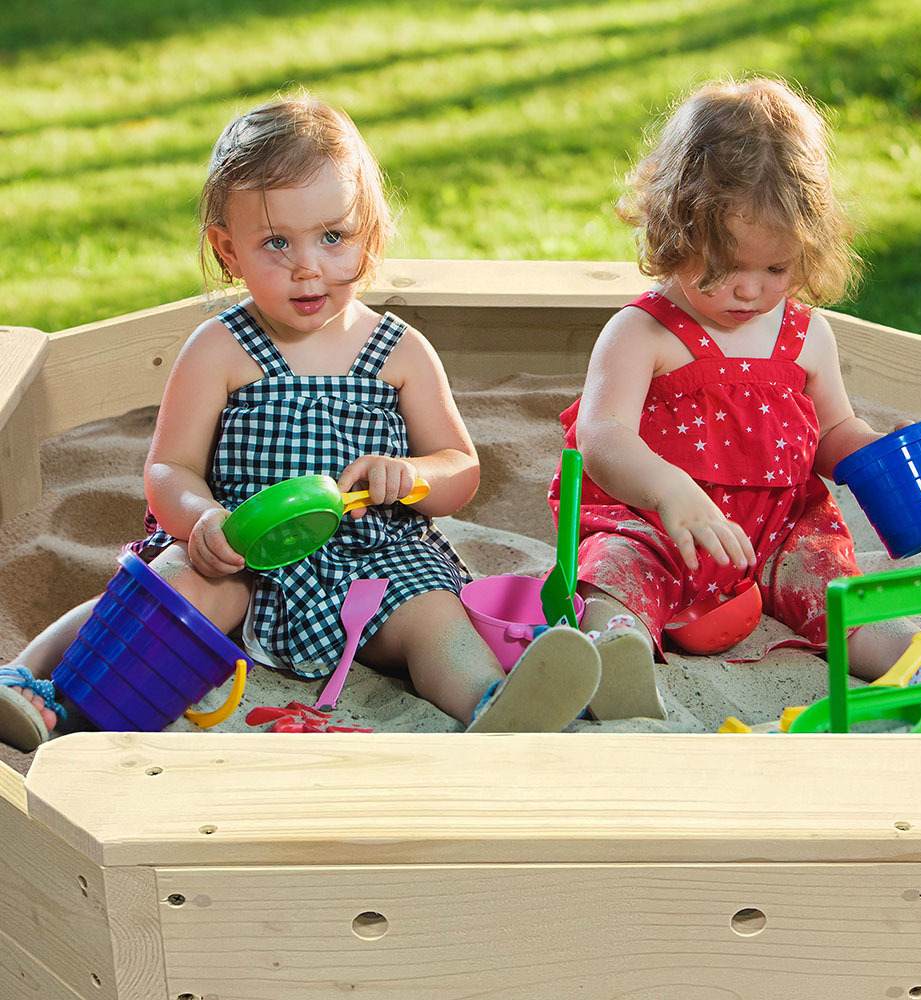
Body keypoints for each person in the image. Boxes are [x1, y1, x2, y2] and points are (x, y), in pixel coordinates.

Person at [0, 95, 601, 752]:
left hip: (377, 559)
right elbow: (169, 466)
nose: (307, 266)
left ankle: (494, 701)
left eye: (332, 237)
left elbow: (461, 467)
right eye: (276, 242)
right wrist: (200, 519)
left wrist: (412, 474)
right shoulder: (220, 349)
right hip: (246, 556)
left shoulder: (399, 351)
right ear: (228, 251)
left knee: (437, 619)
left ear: (367, 235)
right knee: (161, 596)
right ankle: (34, 679)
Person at [549, 76, 921, 721]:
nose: (749, 291)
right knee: (615, 570)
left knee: (830, 584)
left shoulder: (805, 334)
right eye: (725, 265)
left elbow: (831, 430)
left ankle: (911, 665)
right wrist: (667, 490)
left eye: (775, 269)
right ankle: (615, 655)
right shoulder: (643, 332)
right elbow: (600, 438)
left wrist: (874, 454)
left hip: (777, 528)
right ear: (675, 233)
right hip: (660, 524)